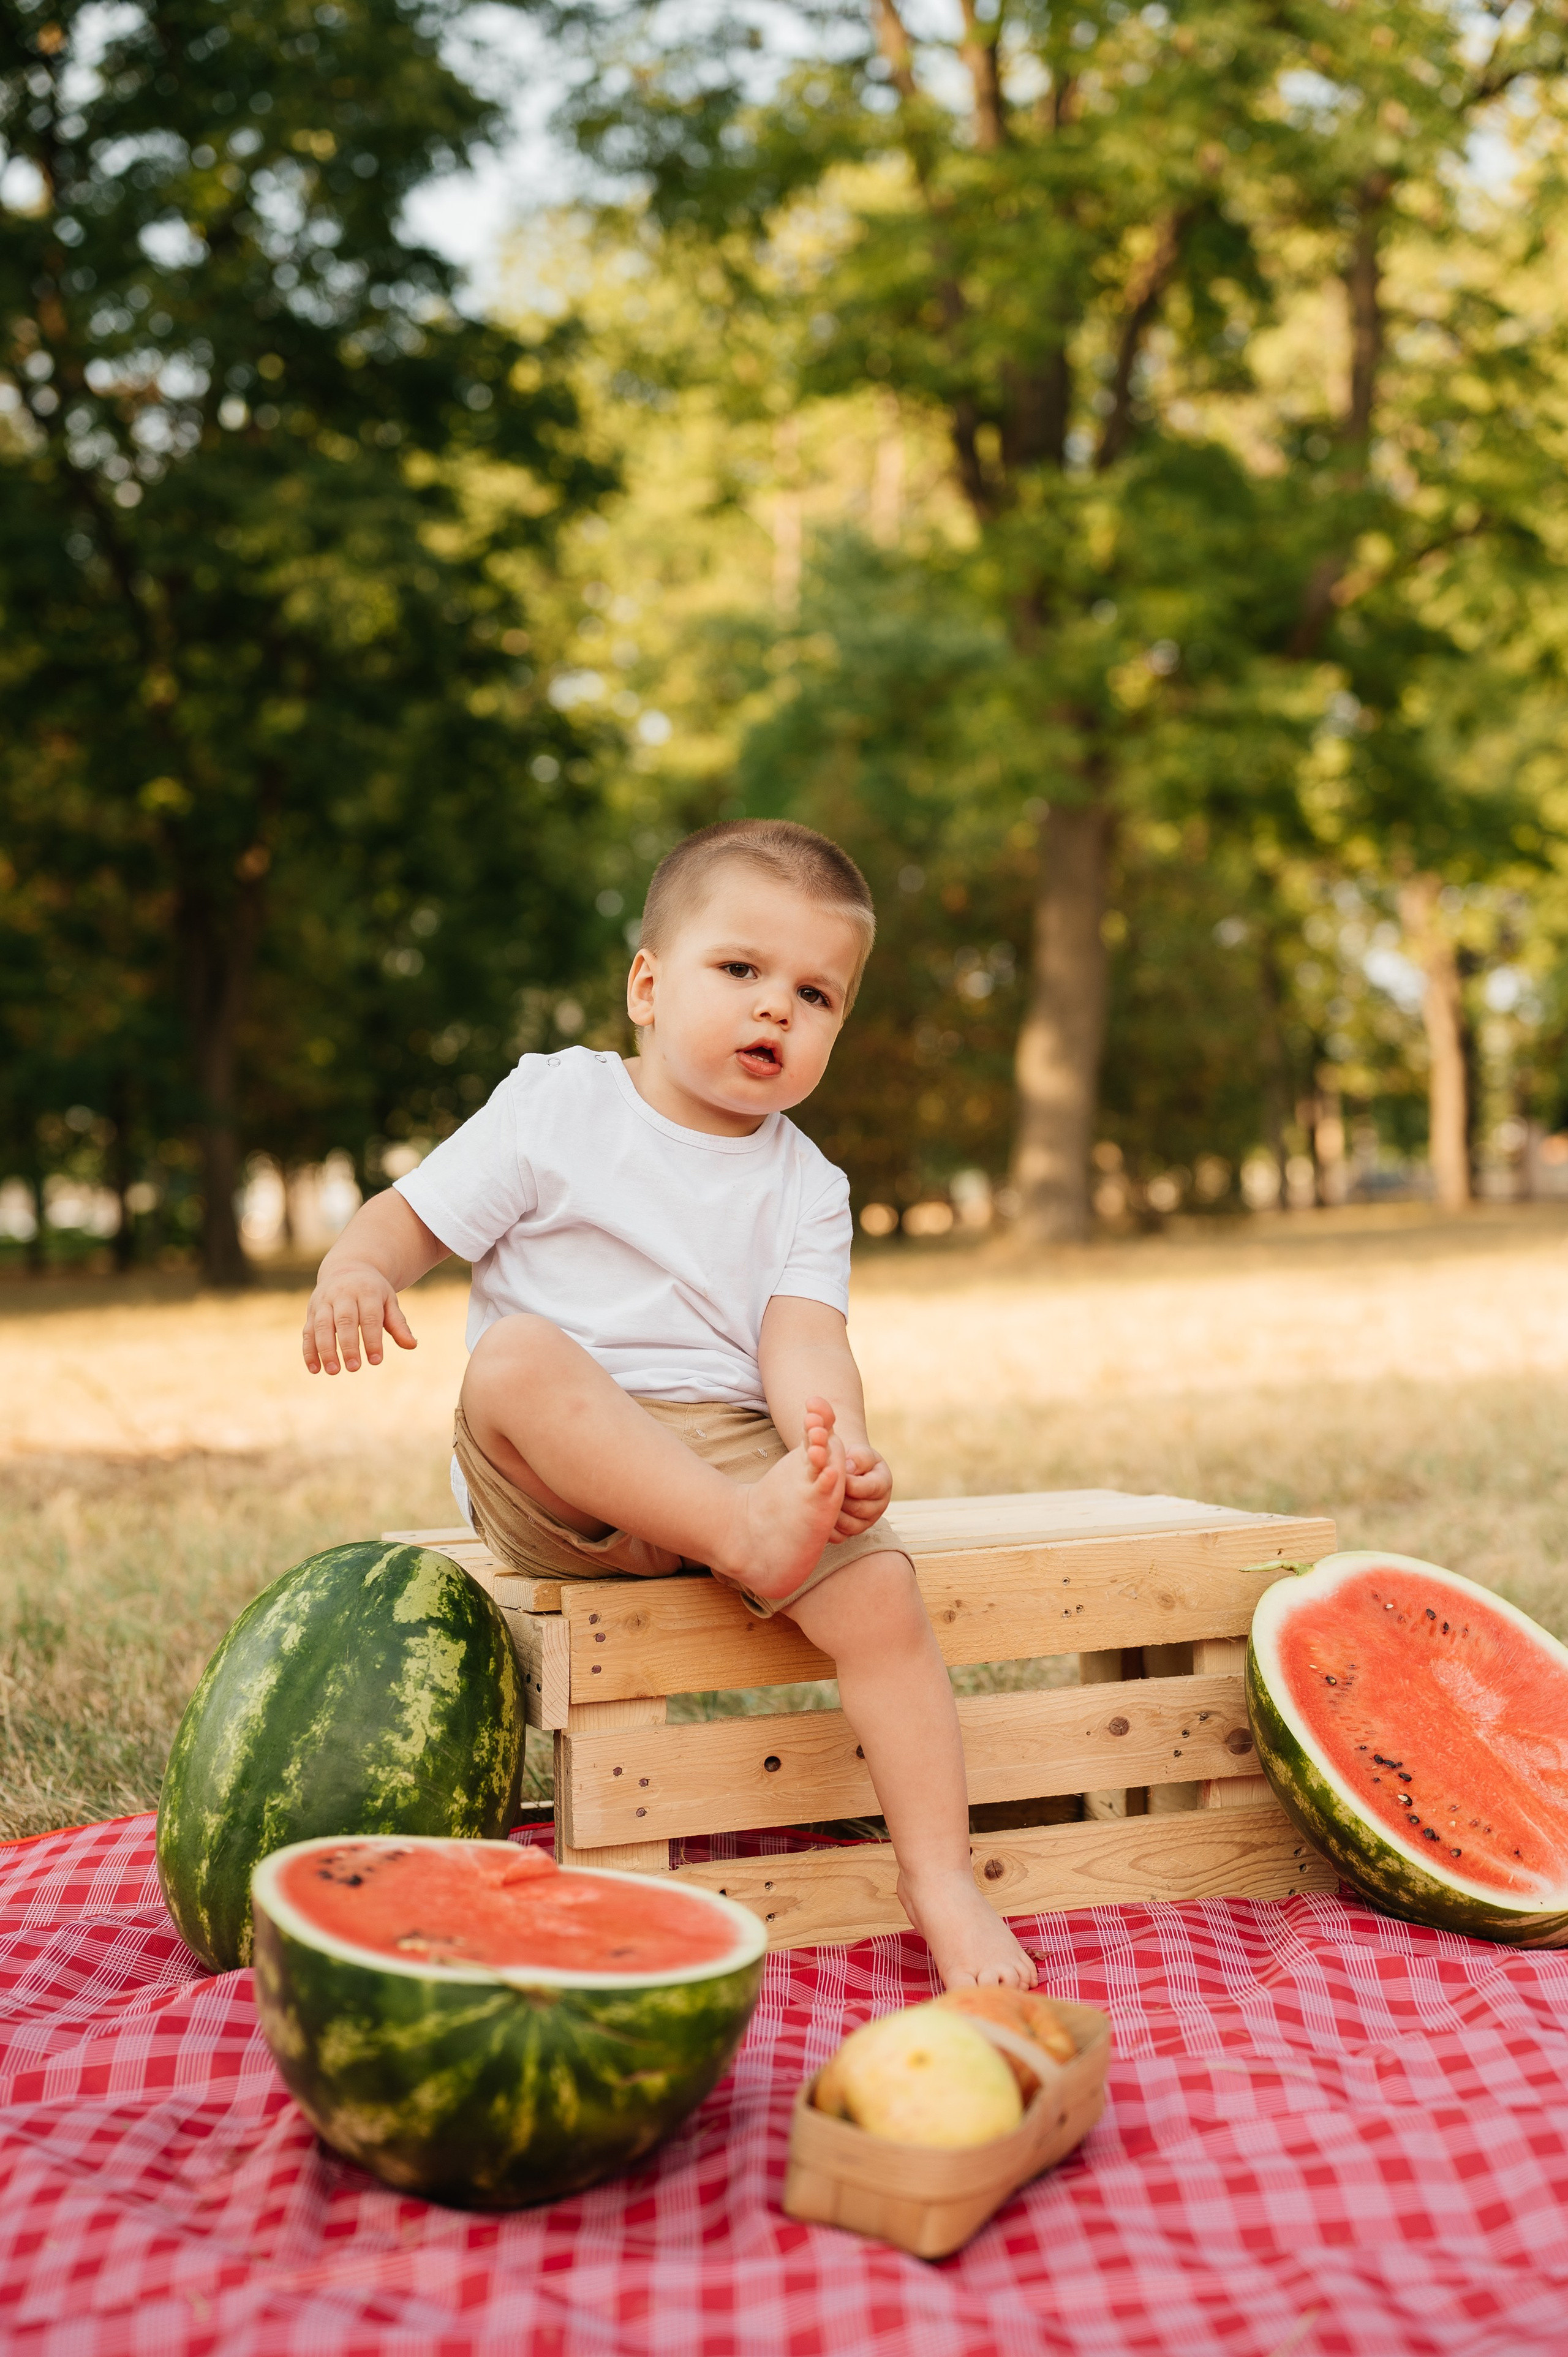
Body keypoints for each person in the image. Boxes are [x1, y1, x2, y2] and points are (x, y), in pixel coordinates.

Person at [302, 818, 1034, 1988]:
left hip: (728, 1453)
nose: (775, 1010)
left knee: (885, 1597)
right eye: (739, 970)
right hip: (560, 1463)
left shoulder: (807, 1183)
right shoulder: (558, 1105)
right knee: (517, 1355)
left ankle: (940, 1878)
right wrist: (356, 1270)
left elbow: (805, 1340)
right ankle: (741, 1535)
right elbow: (412, 1216)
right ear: (646, 985)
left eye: (816, 994)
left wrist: (832, 1449)